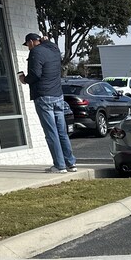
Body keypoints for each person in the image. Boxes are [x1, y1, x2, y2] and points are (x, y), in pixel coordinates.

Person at [18, 32, 76, 173]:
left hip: (43, 96)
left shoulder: (35, 52)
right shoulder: (54, 49)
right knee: (62, 132)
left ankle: (59, 165)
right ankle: (70, 163)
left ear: (31, 42)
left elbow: (36, 74)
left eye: (28, 45)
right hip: (58, 95)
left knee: (51, 132)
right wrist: (46, 40)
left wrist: (24, 80)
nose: (28, 47)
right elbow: (50, 44)